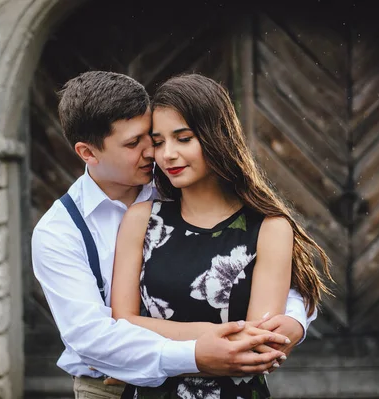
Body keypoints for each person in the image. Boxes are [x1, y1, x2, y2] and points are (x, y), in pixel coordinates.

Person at [31, 71, 315, 399]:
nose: (156, 153)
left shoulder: (175, 182)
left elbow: (287, 282)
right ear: (88, 153)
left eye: (149, 138)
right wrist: (201, 349)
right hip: (110, 384)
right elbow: (95, 336)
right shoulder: (60, 232)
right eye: (135, 143)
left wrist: (294, 320)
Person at [110, 74, 332, 398]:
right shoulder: (141, 220)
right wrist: (212, 339)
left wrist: (156, 337)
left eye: (183, 138)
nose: (167, 154)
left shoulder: (269, 228)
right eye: (158, 142)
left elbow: (256, 349)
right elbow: (122, 325)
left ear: (216, 137)